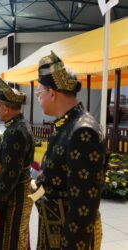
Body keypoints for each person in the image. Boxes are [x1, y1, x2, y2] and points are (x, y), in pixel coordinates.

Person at [34, 51, 106, 250]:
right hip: (54, 229)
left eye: (39, 93)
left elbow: (83, 206)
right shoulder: (67, 125)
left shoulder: (82, 131)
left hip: (70, 238)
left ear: (52, 93)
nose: (38, 98)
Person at [0, 75, 34, 250]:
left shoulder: (15, 131)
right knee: (15, 234)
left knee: (7, 238)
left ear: (6, 108)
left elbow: (9, 174)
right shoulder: (19, 125)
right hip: (19, 188)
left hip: (14, 193)